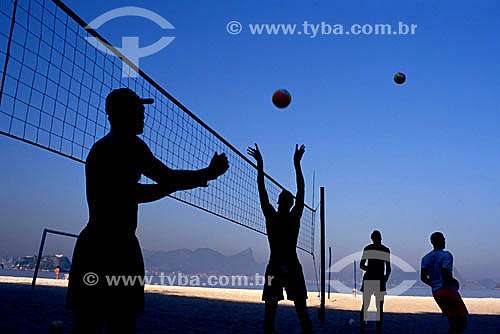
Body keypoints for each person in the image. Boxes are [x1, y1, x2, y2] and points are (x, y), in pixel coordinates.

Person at [66, 88, 229, 334]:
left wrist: (199, 177)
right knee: (102, 323)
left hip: (108, 244)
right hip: (108, 246)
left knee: (101, 322)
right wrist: (205, 175)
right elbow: (146, 189)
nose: (144, 116)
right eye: (138, 111)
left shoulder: (117, 147)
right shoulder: (122, 147)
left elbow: (162, 180)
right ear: (120, 114)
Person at [247, 143, 312, 334]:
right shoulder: (294, 218)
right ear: (290, 203)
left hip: (274, 267)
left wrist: (260, 165)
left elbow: (262, 190)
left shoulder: (272, 217)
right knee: (301, 311)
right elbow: (301, 191)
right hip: (292, 266)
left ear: (279, 202)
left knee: (270, 311)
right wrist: (297, 165)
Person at [421, 232, 468, 334]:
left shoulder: (425, 258)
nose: (444, 241)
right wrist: (455, 282)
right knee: (462, 323)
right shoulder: (446, 255)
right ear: (437, 241)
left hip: (436, 292)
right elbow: (446, 274)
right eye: (442, 239)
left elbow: (423, 278)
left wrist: (434, 284)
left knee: (452, 322)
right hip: (448, 290)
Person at [359, 230, 391, 334]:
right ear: (380, 238)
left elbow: (361, 265)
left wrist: (369, 269)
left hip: (369, 278)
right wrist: (385, 277)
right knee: (379, 306)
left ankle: (363, 326)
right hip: (379, 279)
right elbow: (388, 268)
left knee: (366, 305)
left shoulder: (368, 248)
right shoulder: (385, 250)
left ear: (372, 238)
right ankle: (378, 329)